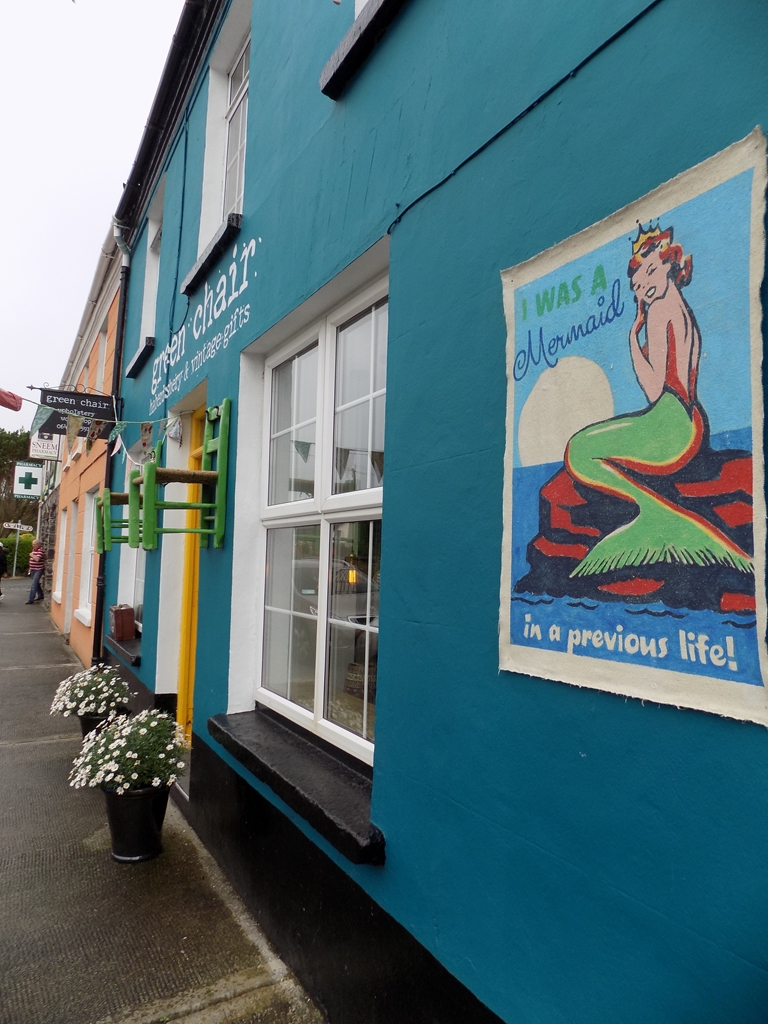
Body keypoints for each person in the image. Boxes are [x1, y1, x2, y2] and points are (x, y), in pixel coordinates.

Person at [564, 223, 752, 578]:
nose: (645, 286)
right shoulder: (680, 308)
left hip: (670, 425)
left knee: (578, 450)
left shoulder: (660, 311)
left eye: (651, 271)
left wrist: (633, 341)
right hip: (690, 420)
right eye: (638, 285)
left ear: (669, 263)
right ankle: (652, 511)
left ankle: (651, 511)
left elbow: (655, 390)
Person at [26, 540, 45, 604]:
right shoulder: (34, 550)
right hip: (32, 569)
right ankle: (40, 595)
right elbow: (31, 560)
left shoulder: (40, 551)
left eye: (35, 544)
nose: (33, 545)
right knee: (36, 583)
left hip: (38, 569)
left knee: (34, 584)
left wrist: (32, 555)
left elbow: (37, 559)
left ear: (38, 544)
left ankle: (31, 599)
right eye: (33, 544)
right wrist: (30, 568)